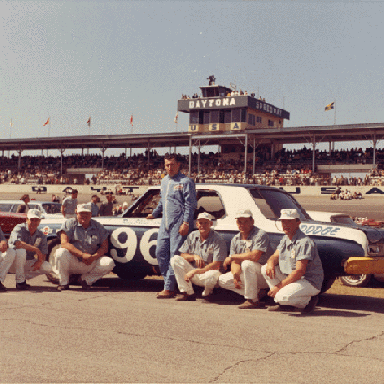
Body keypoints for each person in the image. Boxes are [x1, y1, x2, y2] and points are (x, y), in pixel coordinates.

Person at [147, 153, 197, 299]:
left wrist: (186, 222)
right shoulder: (164, 181)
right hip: (165, 222)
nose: (169, 167)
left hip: (179, 222)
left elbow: (190, 204)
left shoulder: (186, 181)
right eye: (167, 165)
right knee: (160, 253)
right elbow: (162, 202)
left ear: (179, 165)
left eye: (172, 165)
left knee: (174, 255)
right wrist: (155, 214)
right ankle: (170, 284)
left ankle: (169, 288)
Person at [261, 209, 324, 314]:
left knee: (280, 296)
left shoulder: (304, 242)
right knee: (265, 269)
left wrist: (278, 287)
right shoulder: (286, 238)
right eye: (283, 221)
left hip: (308, 281)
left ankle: (308, 301)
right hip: (293, 278)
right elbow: (275, 256)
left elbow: (300, 271)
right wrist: (271, 263)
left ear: (298, 222)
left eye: (289, 221)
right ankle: (285, 304)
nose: (285, 224)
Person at [55, 203, 115, 291]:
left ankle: (86, 280)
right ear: (76, 214)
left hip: (91, 261)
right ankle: (64, 283)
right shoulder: (69, 223)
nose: (84, 216)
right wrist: (81, 254)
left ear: (91, 214)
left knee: (109, 263)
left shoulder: (98, 226)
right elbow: (64, 243)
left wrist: (93, 257)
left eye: (86, 214)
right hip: (74, 260)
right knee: (60, 253)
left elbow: (104, 247)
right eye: (81, 214)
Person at [218, 209, 270, 309]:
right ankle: (258, 293)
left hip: (263, 275)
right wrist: (236, 275)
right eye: (239, 222)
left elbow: (255, 256)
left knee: (247, 263)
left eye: (245, 221)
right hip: (248, 275)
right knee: (222, 280)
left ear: (252, 221)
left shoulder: (260, 234)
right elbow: (235, 262)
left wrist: (232, 256)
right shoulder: (235, 239)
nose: (242, 224)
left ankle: (251, 300)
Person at [170, 212, 227, 301]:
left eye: (206, 223)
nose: (203, 225)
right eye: (200, 223)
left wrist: (196, 271)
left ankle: (209, 293)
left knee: (211, 275)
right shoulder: (192, 235)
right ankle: (187, 293)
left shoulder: (218, 239)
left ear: (211, 224)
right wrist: (194, 257)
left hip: (210, 273)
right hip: (194, 273)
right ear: (197, 224)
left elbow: (217, 265)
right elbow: (182, 254)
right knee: (175, 259)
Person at [8, 209, 53, 290]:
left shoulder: (41, 234)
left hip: (26, 262)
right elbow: (18, 243)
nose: (34, 222)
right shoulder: (19, 228)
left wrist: (39, 261)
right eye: (31, 220)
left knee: (47, 267)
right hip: (12, 263)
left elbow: (44, 252)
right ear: (27, 220)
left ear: (39, 221)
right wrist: (35, 249)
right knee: (21, 251)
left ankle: (21, 276)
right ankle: (20, 282)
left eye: (36, 220)